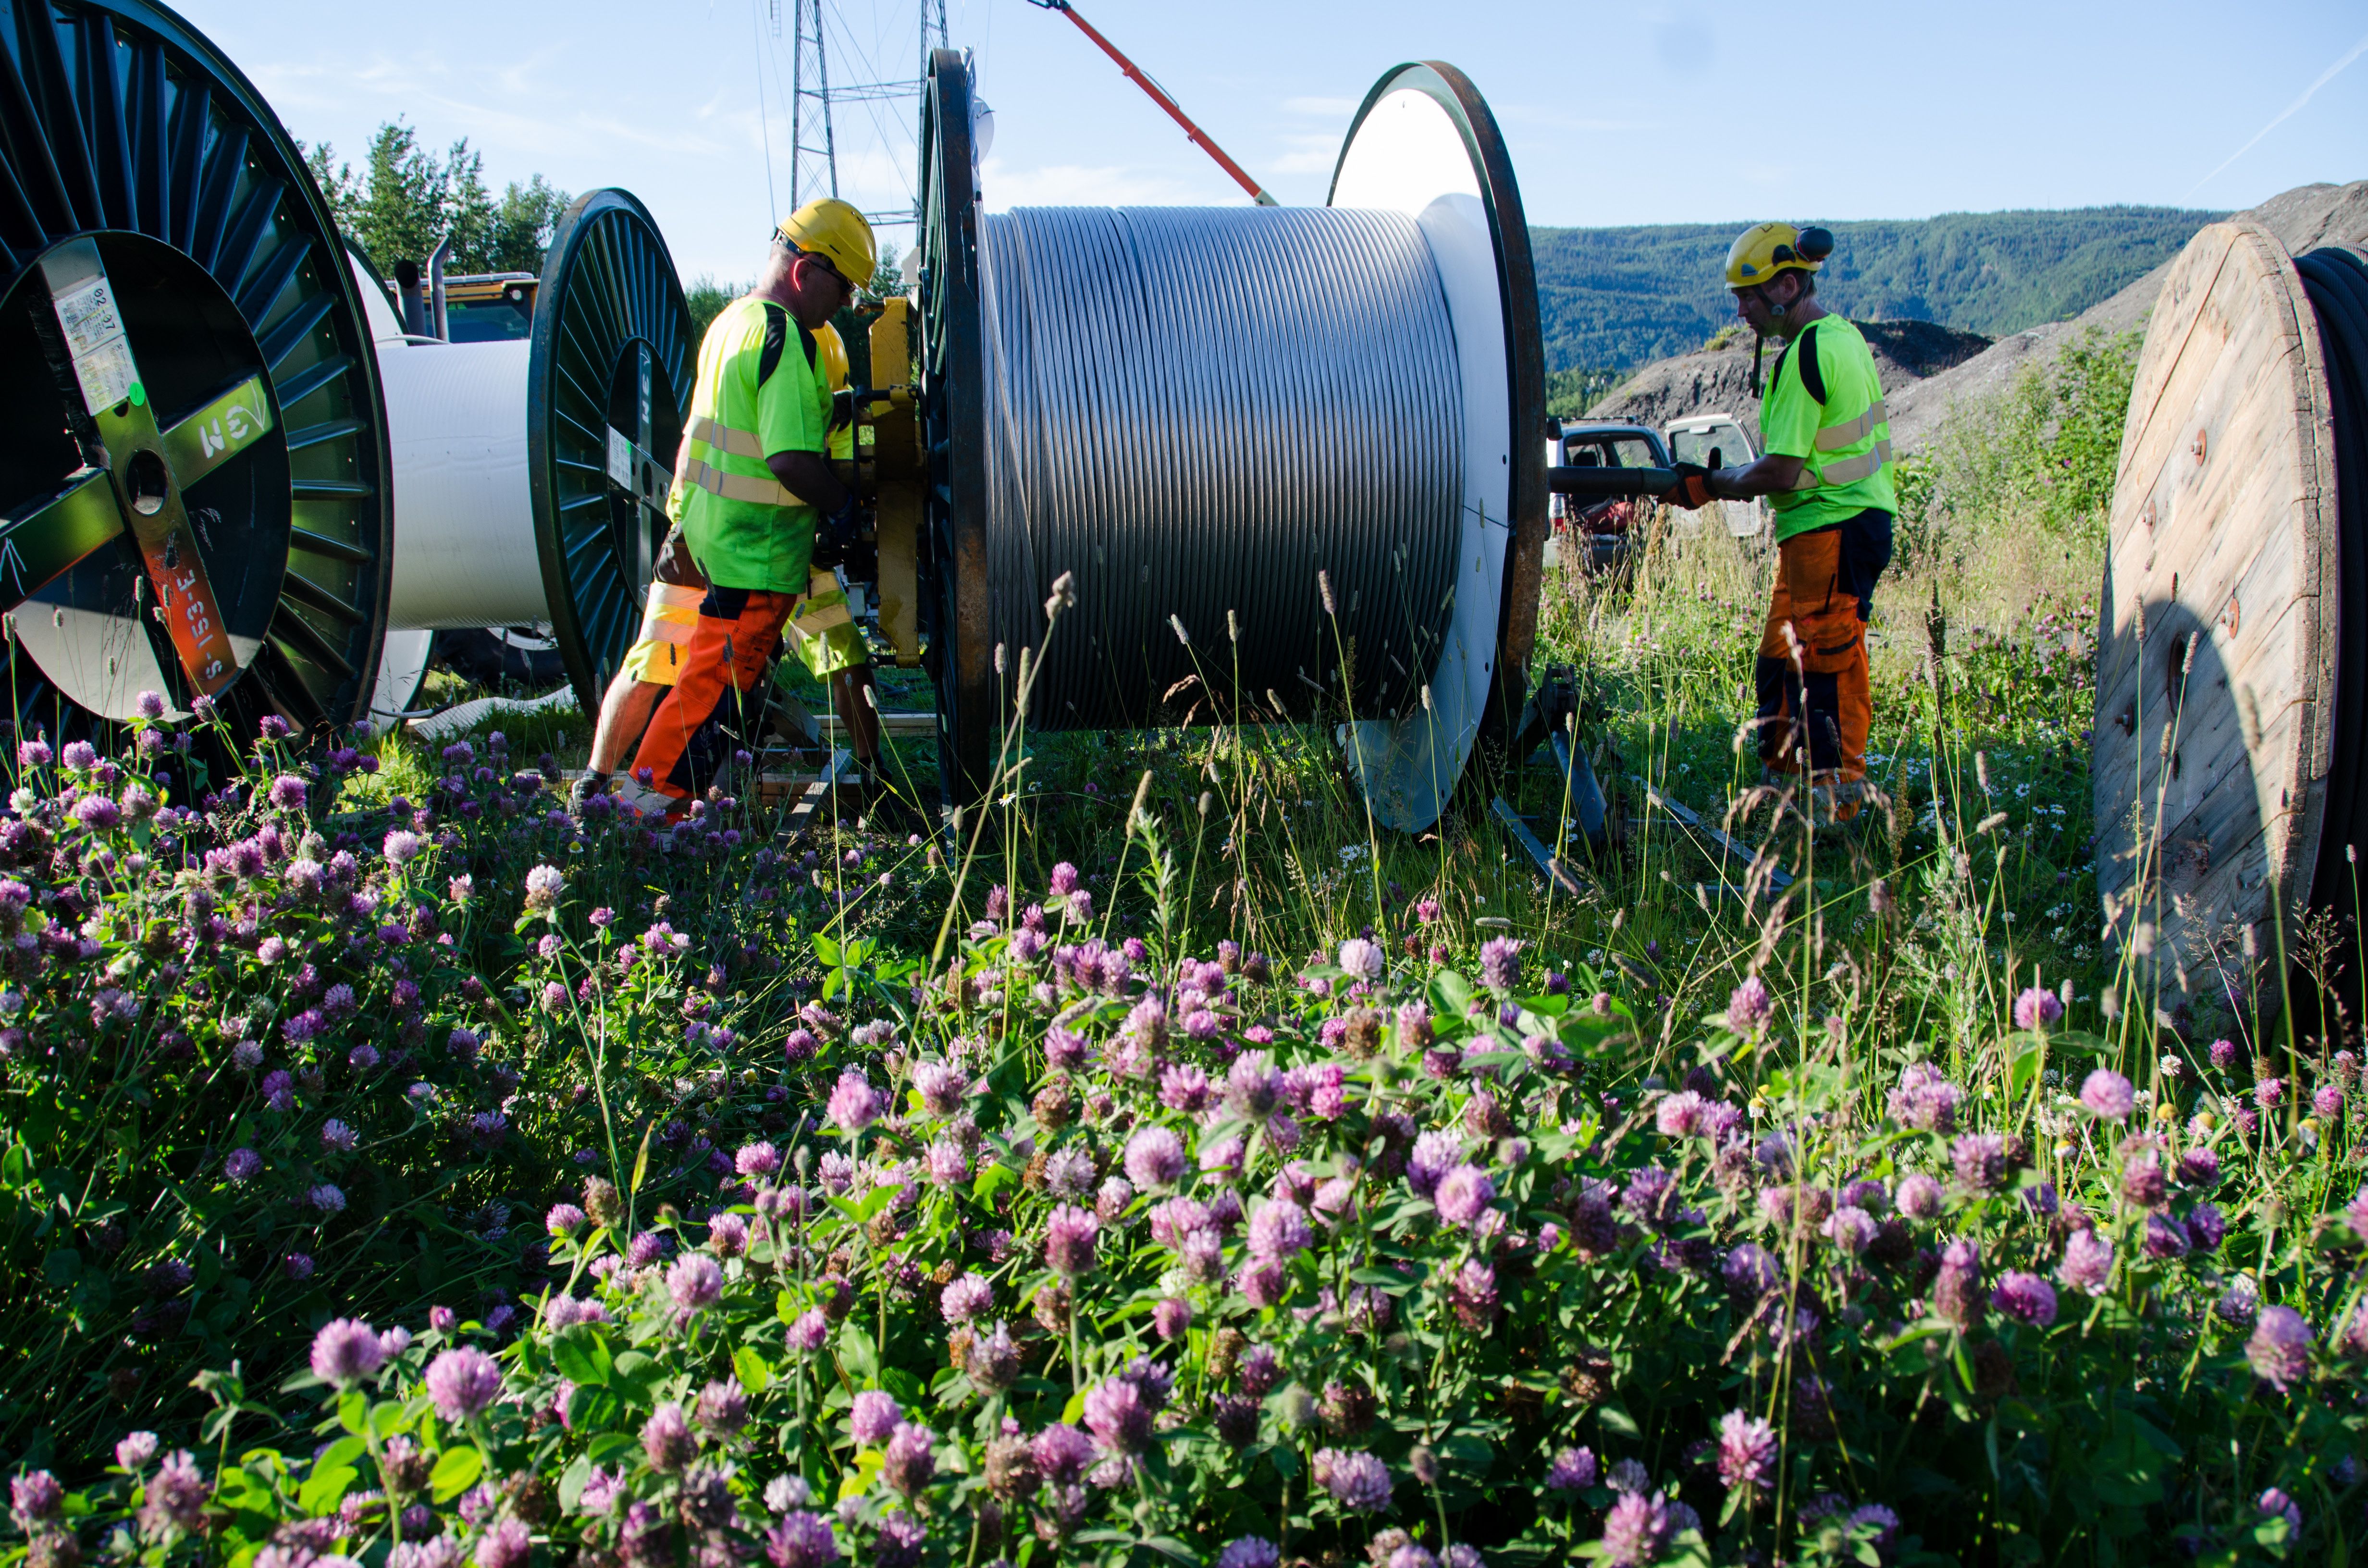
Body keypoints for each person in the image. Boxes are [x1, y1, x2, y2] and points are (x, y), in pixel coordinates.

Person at [577, 197, 884, 816]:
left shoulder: (729, 325)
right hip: (755, 554)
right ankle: (645, 816)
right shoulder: (785, 336)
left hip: (710, 540)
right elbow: (790, 459)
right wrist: (846, 508)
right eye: (844, 289)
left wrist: (683, 523)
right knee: (709, 696)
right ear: (805, 272)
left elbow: (702, 438)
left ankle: (629, 799)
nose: (845, 307)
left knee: (694, 685)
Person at [1662, 221, 1895, 823]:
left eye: (1747, 295)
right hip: (1829, 530)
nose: (1739, 310)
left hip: (1832, 529)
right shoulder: (1841, 337)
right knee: (1779, 657)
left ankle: (1836, 806)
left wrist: (1710, 485)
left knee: (1824, 662)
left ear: (1787, 286)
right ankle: (1782, 792)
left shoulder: (1808, 353)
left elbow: (1784, 471)